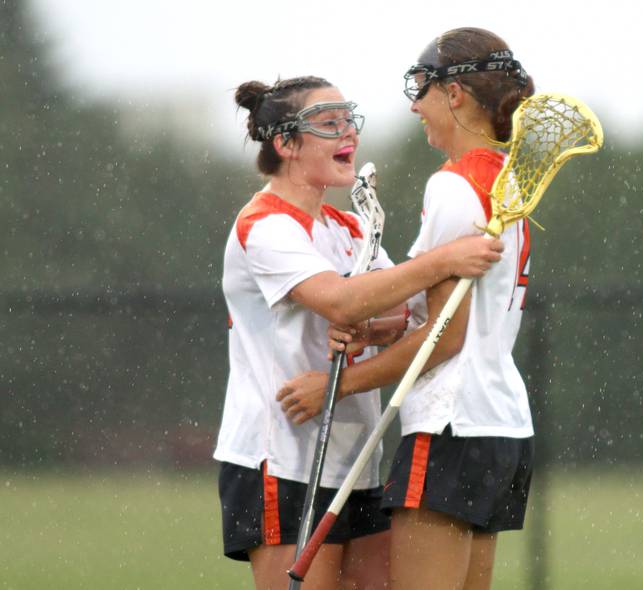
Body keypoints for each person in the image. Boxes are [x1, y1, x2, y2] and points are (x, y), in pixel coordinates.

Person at [213, 74, 504, 590]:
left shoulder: (347, 228)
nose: (348, 133)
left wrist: (375, 325)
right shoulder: (265, 225)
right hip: (280, 457)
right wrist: (444, 258)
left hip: (354, 459)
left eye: (350, 120)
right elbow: (341, 299)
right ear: (285, 144)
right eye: (328, 124)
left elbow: (399, 306)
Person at [277, 28, 535, 590]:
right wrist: (383, 327)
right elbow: (453, 316)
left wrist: (338, 386)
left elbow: (446, 337)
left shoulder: (452, 186)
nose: (415, 104)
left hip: (450, 422)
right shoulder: (508, 182)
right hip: (501, 427)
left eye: (422, 87)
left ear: (456, 94)